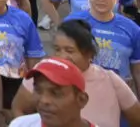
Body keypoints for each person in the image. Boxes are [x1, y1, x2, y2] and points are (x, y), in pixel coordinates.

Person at [12, 19, 140, 126]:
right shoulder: (42, 74)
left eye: (70, 50)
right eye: (57, 49)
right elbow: (19, 108)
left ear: (88, 53)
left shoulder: (109, 79)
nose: (62, 56)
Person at [63, 0, 140, 87]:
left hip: (118, 94)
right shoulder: (71, 23)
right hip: (80, 91)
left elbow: (137, 71)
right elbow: (62, 60)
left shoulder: (132, 29)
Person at [7, 58, 94, 127]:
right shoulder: (21, 124)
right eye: (38, 90)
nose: (44, 100)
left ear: (81, 100)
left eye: (56, 93)